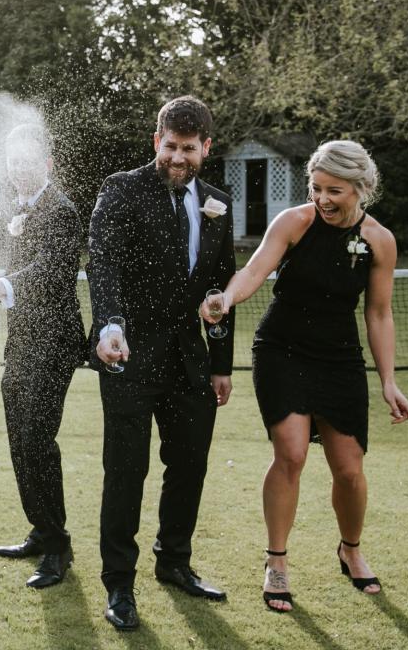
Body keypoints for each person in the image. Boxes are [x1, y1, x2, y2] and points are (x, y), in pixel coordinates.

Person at [201, 139, 408, 613]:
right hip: (282, 349)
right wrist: (227, 299)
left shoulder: (379, 240)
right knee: (292, 454)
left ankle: (351, 549)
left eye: (334, 191)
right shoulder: (294, 222)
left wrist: (388, 382)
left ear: (361, 188)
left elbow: (379, 315)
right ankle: (276, 560)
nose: (322, 199)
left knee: (350, 470)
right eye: (316, 188)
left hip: (339, 358)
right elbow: (256, 269)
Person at [87, 96, 235, 632]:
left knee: (189, 465)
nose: (178, 157)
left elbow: (221, 287)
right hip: (127, 355)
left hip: (191, 362)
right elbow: (102, 262)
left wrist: (222, 362)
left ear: (205, 149)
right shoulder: (121, 189)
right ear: (157, 141)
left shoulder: (219, 201)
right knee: (126, 470)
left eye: (188, 149)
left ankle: (174, 562)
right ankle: (119, 585)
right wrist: (109, 325)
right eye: (170, 146)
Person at [0, 123, 85, 589]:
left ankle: (57, 547)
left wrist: (2, 285)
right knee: (18, 439)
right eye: (13, 163)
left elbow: (52, 271)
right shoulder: (19, 207)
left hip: (54, 345)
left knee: (36, 441)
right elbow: (20, 275)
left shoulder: (61, 210)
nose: (20, 170)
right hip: (22, 343)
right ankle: (40, 529)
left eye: (29, 162)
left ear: (47, 164)